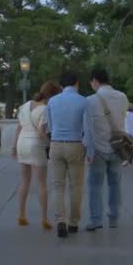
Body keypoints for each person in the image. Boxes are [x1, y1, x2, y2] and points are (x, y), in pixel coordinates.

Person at [12, 81, 62, 230]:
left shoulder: (25, 105)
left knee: (25, 182)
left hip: (22, 143)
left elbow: (18, 128)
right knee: (41, 183)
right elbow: (41, 132)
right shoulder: (45, 109)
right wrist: (50, 144)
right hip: (35, 144)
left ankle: (21, 214)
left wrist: (13, 146)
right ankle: (44, 218)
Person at [84, 68, 129, 231]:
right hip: (117, 147)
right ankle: (114, 219)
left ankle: (96, 220)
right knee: (115, 184)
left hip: (97, 149)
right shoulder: (123, 97)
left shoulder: (90, 100)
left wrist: (87, 150)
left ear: (95, 80)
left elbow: (87, 128)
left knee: (95, 185)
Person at [47, 70, 90, 238]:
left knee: (57, 186)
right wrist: (88, 149)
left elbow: (49, 126)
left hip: (56, 144)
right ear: (76, 83)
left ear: (61, 85)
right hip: (75, 144)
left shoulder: (52, 101)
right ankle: (73, 222)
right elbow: (88, 128)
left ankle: (60, 220)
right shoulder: (83, 101)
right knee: (76, 186)